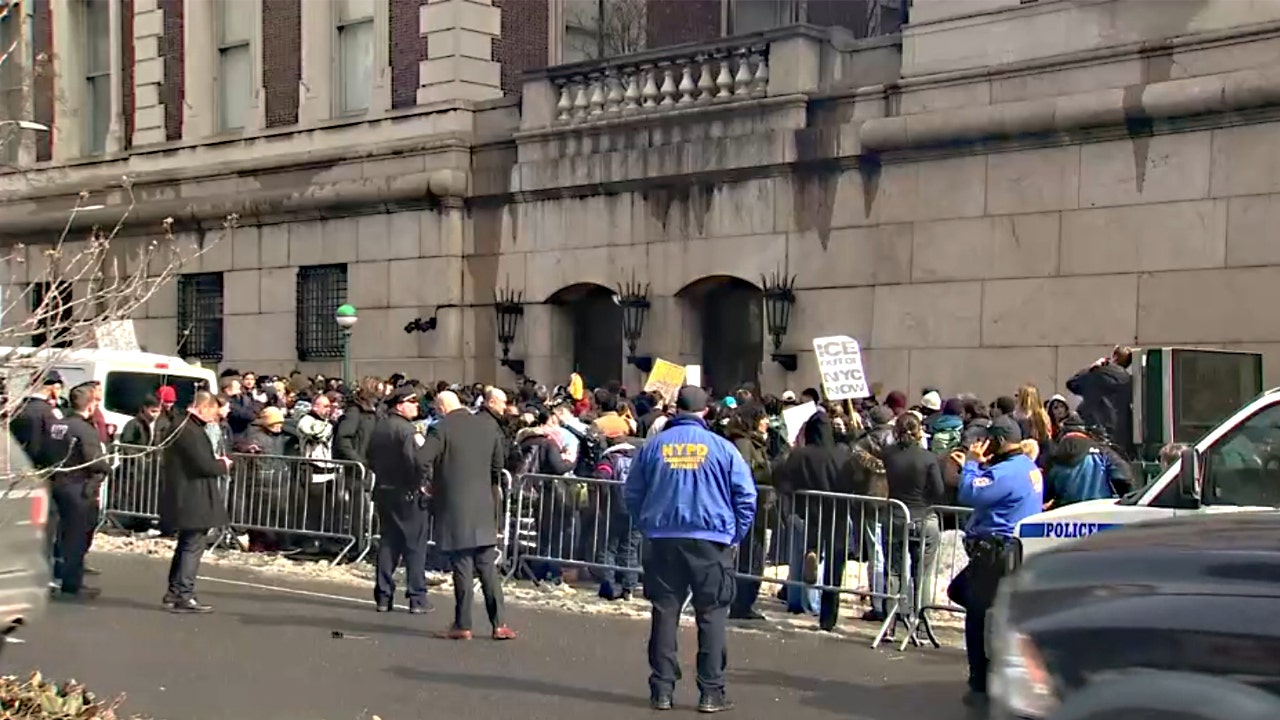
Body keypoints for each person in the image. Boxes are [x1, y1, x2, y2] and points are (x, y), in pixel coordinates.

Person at [625, 385, 756, 713]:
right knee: (711, 614)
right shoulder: (723, 448)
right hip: (711, 540)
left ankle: (662, 690)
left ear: (676, 409)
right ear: (705, 412)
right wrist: (734, 534)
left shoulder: (653, 446)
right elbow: (746, 496)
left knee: (665, 611)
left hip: (663, 538)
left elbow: (632, 492)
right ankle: (711, 691)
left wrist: (647, 524)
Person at [949, 415, 1043, 708]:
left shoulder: (1005, 472)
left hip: (994, 553)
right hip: (1007, 550)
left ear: (1000, 441)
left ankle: (980, 682)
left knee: (977, 615)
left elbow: (969, 493)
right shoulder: (1026, 466)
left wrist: (971, 464)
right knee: (965, 595)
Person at [425, 390, 516, 640]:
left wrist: (431, 484)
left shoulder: (440, 429)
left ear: (442, 408)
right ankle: (499, 624)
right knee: (488, 568)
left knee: (463, 567)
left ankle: (463, 624)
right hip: (483, 505)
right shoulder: (487, 427)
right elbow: (498, 466)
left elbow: (422, 458)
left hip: (455, 508)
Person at [158, 391, 232, 614]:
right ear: (203, 407)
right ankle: (184, 594)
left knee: (186, 544)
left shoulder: (183, 426)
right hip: (193, 495)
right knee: (192, 546)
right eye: (213, 411)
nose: (214, 417)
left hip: (185, 494)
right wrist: (223, 465)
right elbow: (203, 465)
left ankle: (174, 592)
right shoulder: (189, 430)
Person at [367, 385, 433, 614]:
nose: (416, 406)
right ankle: (417, 597)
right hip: (408, 493)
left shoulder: (380, 427)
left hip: (385, 490)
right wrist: (422, 484)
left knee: (388, 544)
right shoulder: (407, 431)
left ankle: (383, 596)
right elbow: (417, 461)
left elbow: (370, 456)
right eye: (412, 402)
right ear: (399, 405)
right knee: (414, 547)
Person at [47, 384, 113, 601]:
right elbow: (94, 460)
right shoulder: (84, 429)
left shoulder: (57, 425)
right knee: (78, 537)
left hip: (56, 484)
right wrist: (107, 467)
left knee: (59, 535)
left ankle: (57, 576)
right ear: (90, 405)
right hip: (79, 487)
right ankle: (72, 583)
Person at [1066, 345, 1134, 457]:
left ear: (1115, 357)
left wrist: (1093, 367)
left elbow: (1072, 383)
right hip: (1120, 434)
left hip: (1096, 429)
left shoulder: (1097, 372)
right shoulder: (1128, 380)